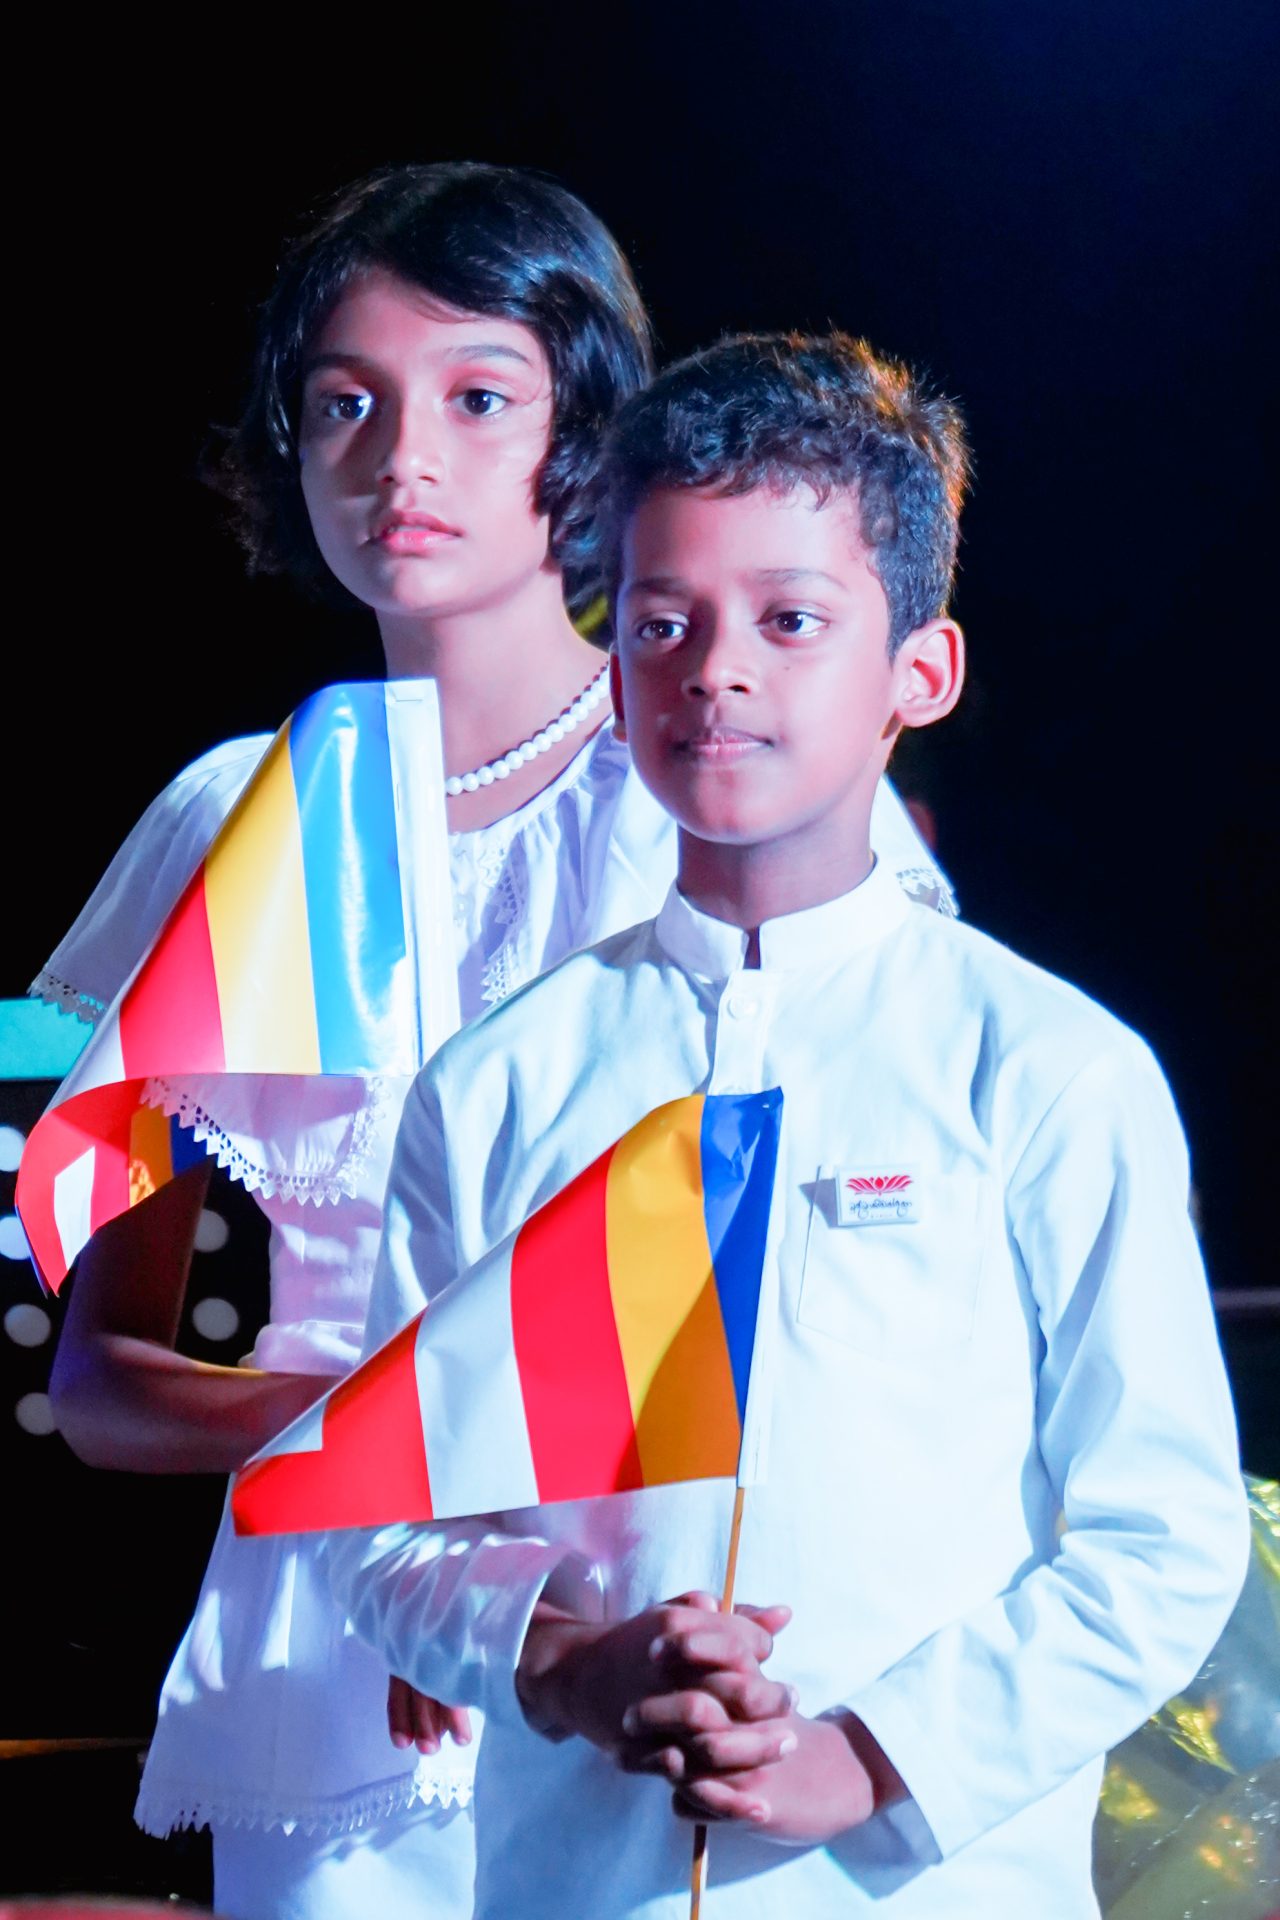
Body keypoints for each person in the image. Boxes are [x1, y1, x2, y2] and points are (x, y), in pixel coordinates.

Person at [37, 170, 951, 1920]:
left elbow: (897, 1259)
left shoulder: (726, 781)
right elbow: (107, 1379)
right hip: (332, 1690)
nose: (401, 459)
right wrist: (412, 1462)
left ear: (588, 440)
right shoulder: (232, 824)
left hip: (701, 1650)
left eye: (476, 396)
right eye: (342, 402)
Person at [328, 331, 1250, 1917]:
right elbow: (390, 1535)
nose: (716, 668)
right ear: (611, 666)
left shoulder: (1040, 1069)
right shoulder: (497, 1088)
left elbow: (1159, 1539)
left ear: (921, 673)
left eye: (792, 620)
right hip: (573, 1880)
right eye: (664, 620)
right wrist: (566, 1667)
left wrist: (871, 1755)